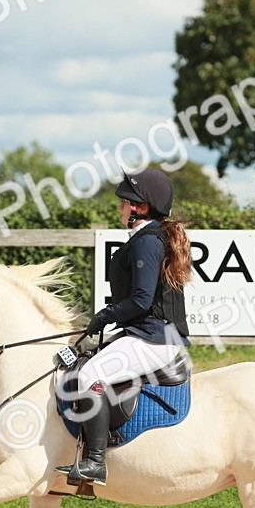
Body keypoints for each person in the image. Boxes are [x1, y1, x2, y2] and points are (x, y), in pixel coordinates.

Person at [57, 167, 193, 485]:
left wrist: (104, 316)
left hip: (155, 340)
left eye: (124, 202)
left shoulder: (147, 242)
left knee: (91, 374)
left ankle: (94, 463)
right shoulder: (146, 238)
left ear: (140, 208)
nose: (119, 207)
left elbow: (142, 300)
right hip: (146, 335)